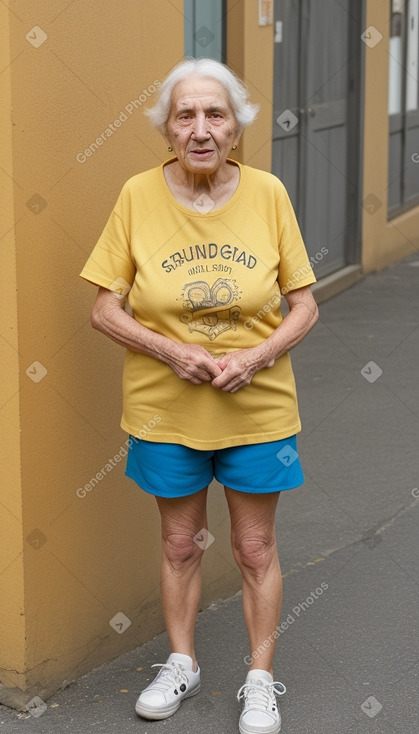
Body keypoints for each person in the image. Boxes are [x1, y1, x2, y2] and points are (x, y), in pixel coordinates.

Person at [80, 57, 319, 734]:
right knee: (181, 544)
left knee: (253, 548)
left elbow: (302, 305)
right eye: (184, 115)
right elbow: (104, 308)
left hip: (258, 405)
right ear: (167, 129)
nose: (200, 127)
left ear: (236, 127)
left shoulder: (268, 194)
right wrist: (171, 349)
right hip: (165, 406)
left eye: (215, 114)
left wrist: (257, 355)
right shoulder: (136, 195)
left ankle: (259, 678)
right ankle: (181, 662)